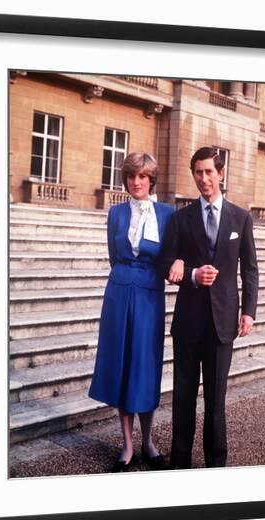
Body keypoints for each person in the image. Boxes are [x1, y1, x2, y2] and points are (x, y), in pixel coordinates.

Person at [160, 146, 259, 469]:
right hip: (188, 322)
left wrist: (248, 311)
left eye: (209, 172)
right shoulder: (181, 218)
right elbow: (165, 262)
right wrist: (189, 273)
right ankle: (180, 463)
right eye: (198, 172)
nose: (204, 178)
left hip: (223, 322)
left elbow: (250, 269)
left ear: (221, 174)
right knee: (183, 399)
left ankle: (216, 466)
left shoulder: (240, 218)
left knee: (216, 402)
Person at [88, 152, 182, 472]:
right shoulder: (115, 213)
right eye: (131, 176)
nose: (136, 182)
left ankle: (148, 440)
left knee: (144, 367)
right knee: (123, 365)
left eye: (142, 176)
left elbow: (172, 255)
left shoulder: (168, 214)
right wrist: (126, 278)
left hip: (150, 297)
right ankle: (127, 445)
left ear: (151, 179)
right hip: (119, 293)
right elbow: (115, 256)